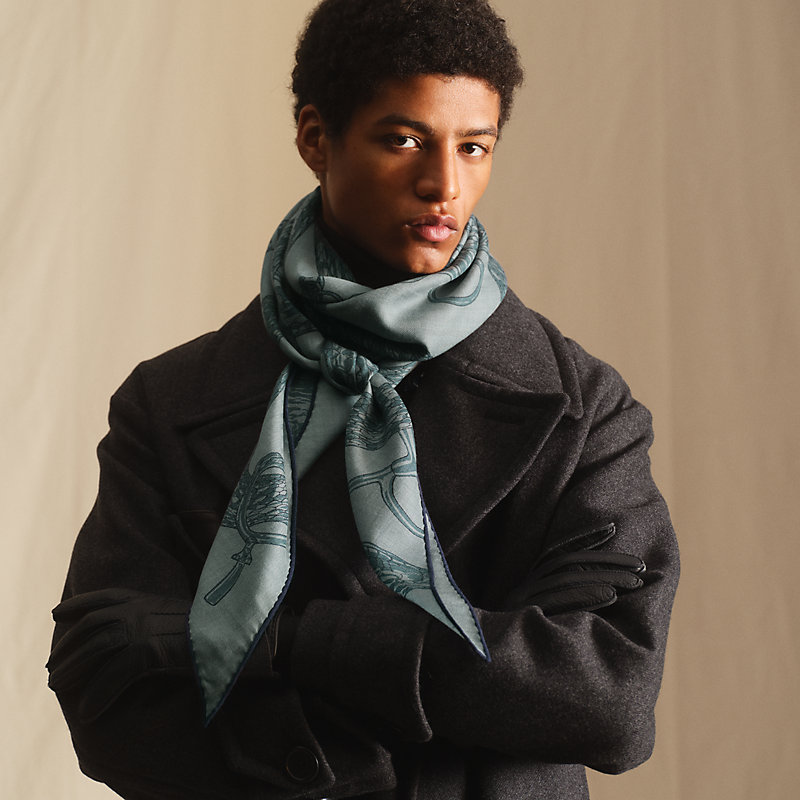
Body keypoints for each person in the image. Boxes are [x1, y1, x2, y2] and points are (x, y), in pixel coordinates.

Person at [46, 1, 679, 798]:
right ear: (316, 139)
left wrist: (283, 642)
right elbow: (107, 692)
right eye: (404, 139)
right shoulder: (170, 405)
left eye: (474, 146)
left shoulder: (582, 410)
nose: (444, 185)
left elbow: (608, 696)